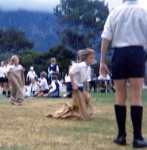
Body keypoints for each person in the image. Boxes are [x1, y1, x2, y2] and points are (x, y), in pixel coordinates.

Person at [100, 0, 147, 148]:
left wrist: (102, 61)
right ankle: (138, 138)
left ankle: (121, 136)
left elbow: (105, 37)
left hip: (119, 54)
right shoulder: (144, 11)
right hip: (137, 53)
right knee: (136, 96)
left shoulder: (115, 12)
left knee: (119, 95)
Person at [46, 48, 95, 120]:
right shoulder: (80, 66)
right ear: (86, 58)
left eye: (93, 58)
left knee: (84, 103)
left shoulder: (88, 67)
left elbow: (85, 79)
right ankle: (61, 114)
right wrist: (74, 84)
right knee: (83, 114)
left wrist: (87, 90)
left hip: (80, 86)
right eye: (91, 57)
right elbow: (71, 73)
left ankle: (67, 110)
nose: (93, 59)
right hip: (75, 87)